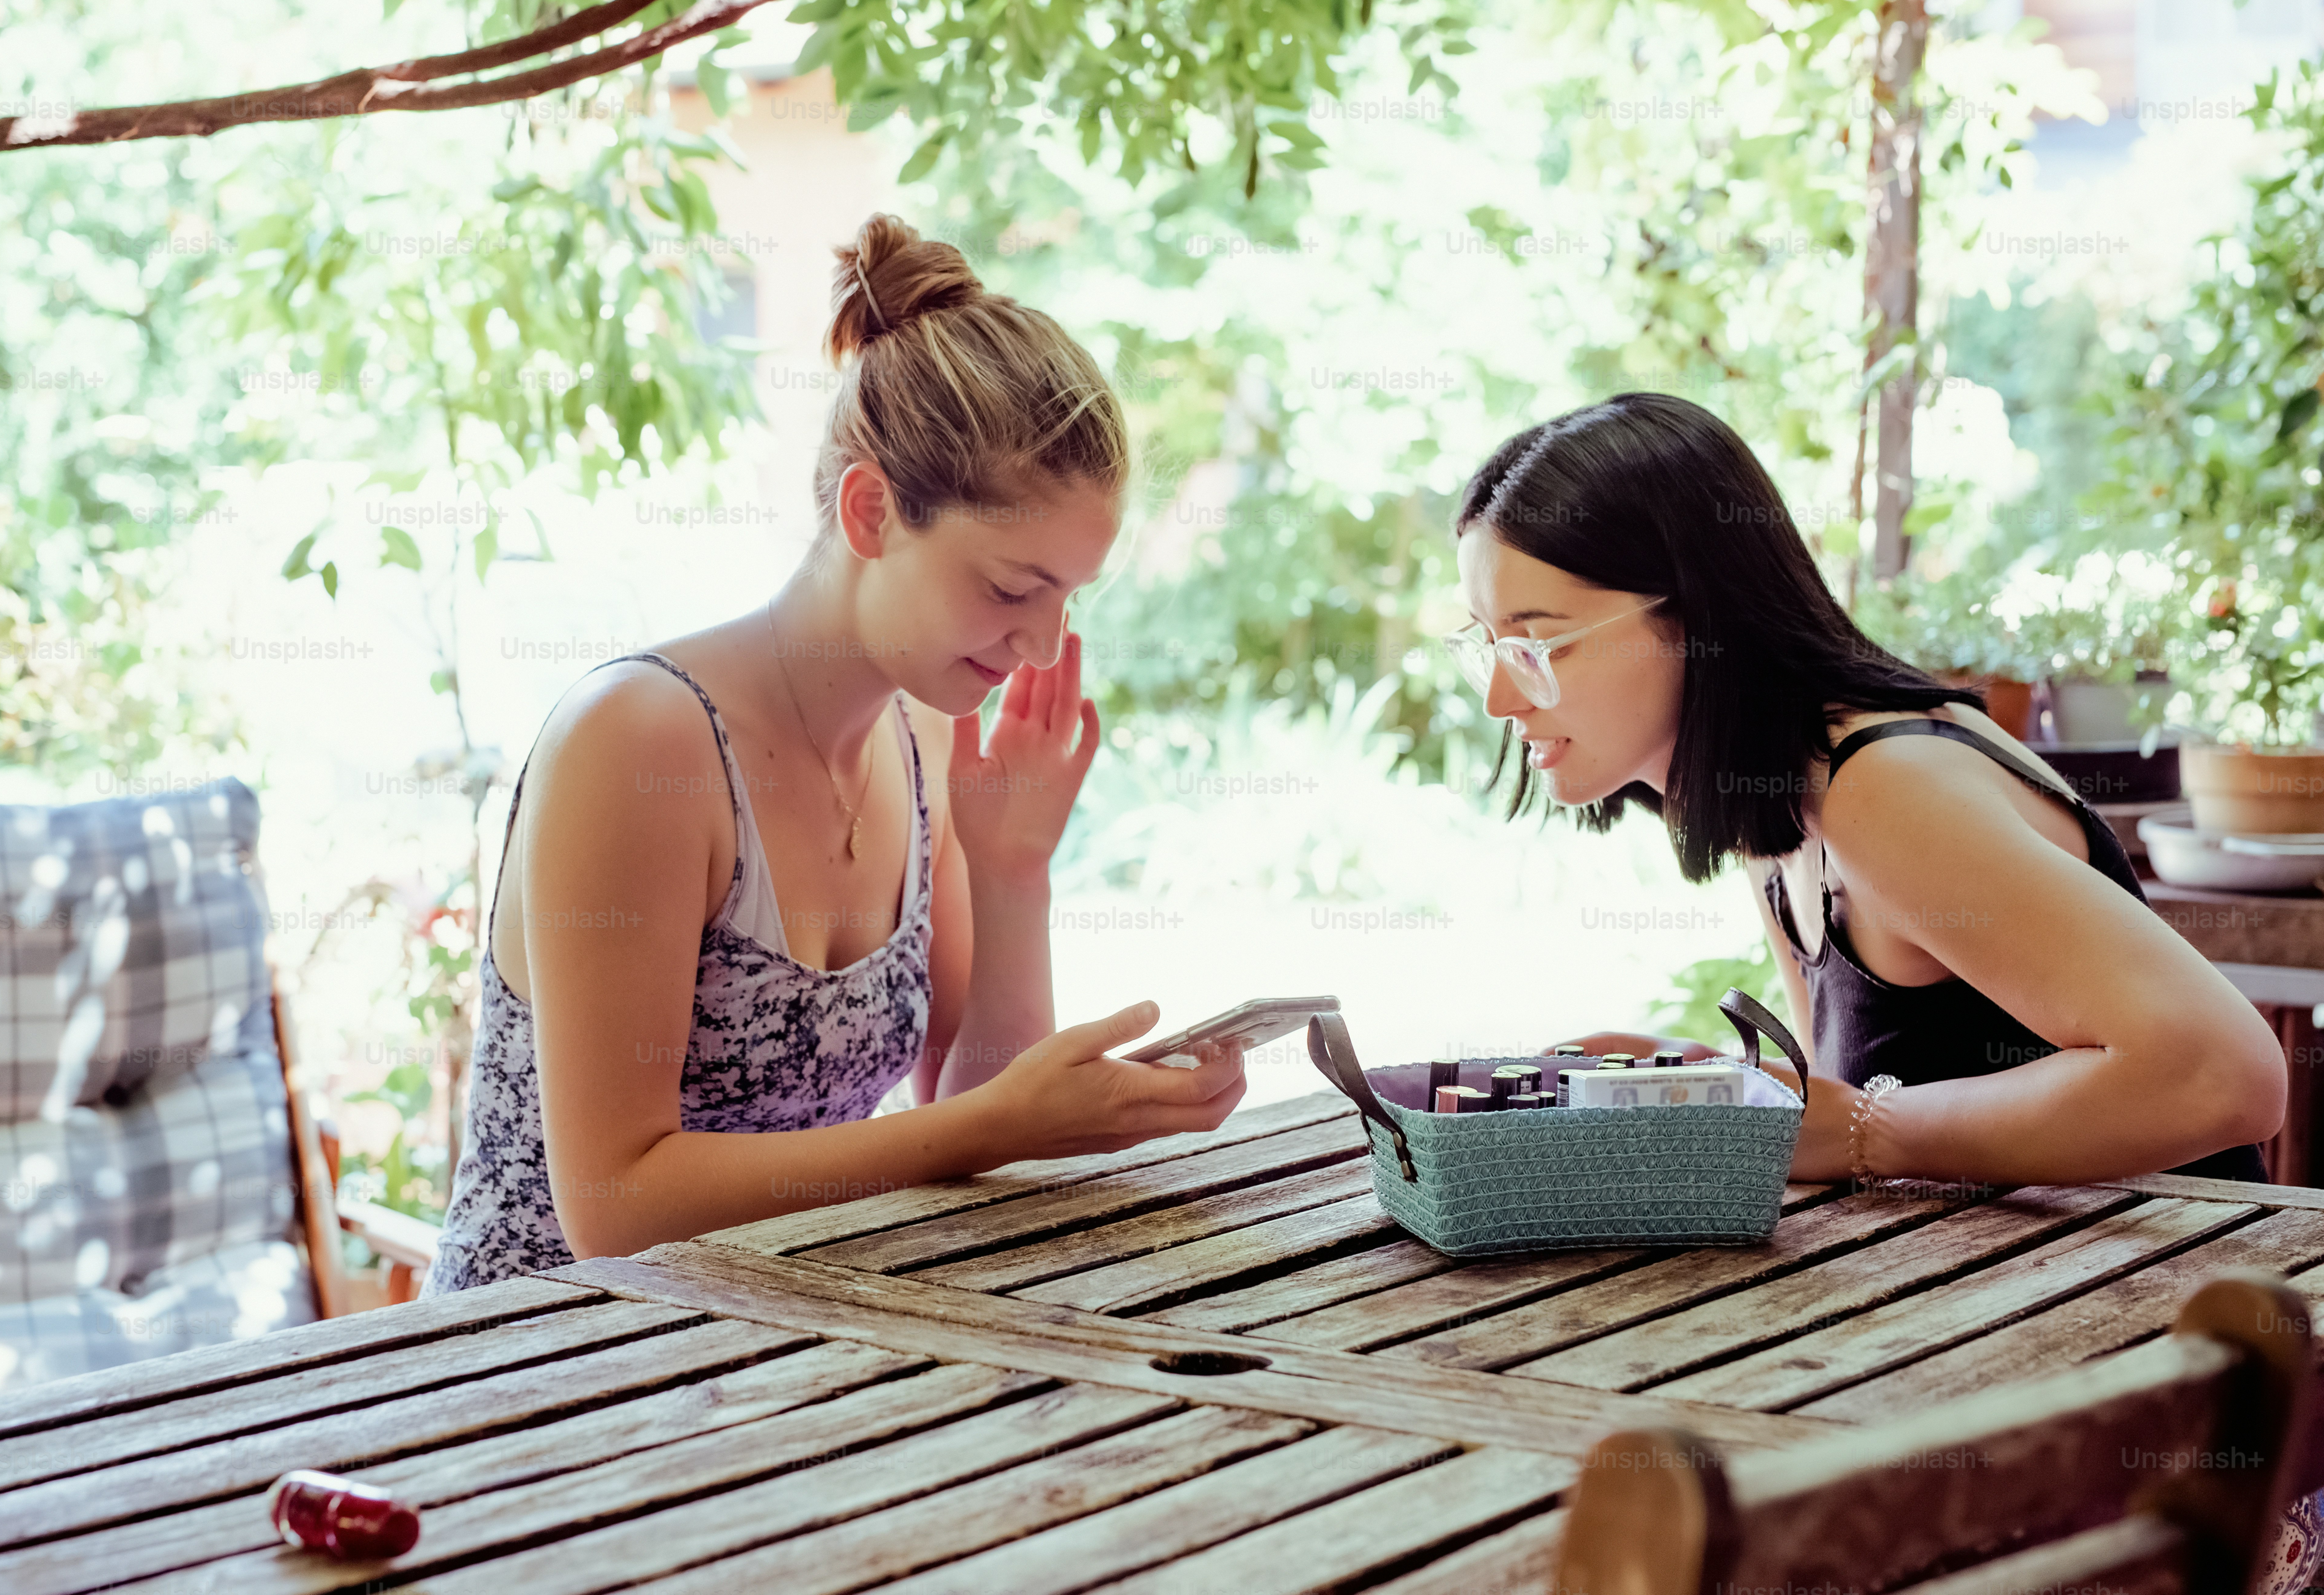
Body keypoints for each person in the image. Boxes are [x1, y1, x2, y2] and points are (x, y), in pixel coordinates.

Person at [421, 215, 1245, 1290]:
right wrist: (998, 1123)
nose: (1044, 643)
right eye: (1009, 588)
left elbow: (960, 1104)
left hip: (776, 1355)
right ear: (870, 510)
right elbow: (617, 1209)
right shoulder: (640, 741)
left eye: (1068, 596)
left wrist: (1011, 872)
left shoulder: (925, 731)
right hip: (525, 1385)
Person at [1444, 391, 2284, 1189]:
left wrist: (1863, 1132)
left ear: (1696, 618)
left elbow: (2227, 1075)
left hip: (2181, 1304)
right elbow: (1867, 1097)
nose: (1499, 699)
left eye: (1538, 643)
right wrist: (1733, 1090)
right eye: (1487, 644)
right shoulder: (1773, 795)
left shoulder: (1884, 787)